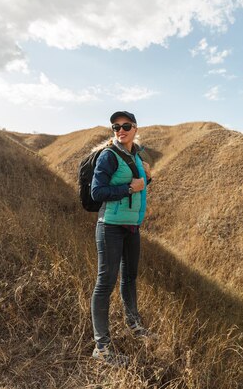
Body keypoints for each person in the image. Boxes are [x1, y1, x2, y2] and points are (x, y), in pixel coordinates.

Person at [90, 111, 154, 365]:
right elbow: (97, 192)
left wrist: (147, 178)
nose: (120, 130)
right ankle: (102, 348)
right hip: (110, 227)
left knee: (130, 277)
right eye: (115, 126)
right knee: (105, 283)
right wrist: (129, 188)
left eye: (125, 125)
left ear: (135, 128)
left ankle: (134, 325)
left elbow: (140, 186)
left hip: (131, 227)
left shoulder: (136, 155)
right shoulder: (108, 156)